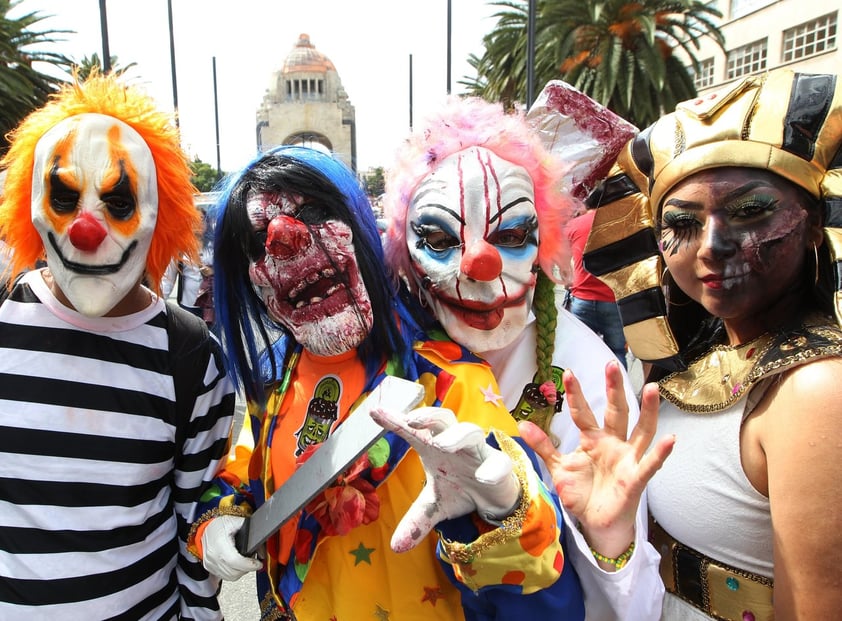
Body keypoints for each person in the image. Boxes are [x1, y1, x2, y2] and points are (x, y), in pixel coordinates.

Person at [187, 145, 590, 619]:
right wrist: (218, 520)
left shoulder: (445, 378)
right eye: (256, 243)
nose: (283, 239)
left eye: (315, 212)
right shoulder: (274, 373)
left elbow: (542, 590)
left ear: (362, 229)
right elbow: (246, 470)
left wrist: (504, 515)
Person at [382, 94, 673, 620]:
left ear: (543, 243)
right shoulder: (392, 357)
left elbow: (630, 608)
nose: (480, 263)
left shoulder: (585, 369)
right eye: (440, 239)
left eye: (512, 235)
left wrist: (609, 538)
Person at [581, 68, 842, 620]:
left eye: (750, 212)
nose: (712, 246)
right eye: (682, 222)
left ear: (815, 222)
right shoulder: (690, 363)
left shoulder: (816, 388)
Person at [0, 73, 236, 619]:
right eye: (64, 197)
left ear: (161, 217)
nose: (87, 229)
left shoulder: (191, 356)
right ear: (32, 205)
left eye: (119, 201)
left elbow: (193, 523)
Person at [565, 206, 627, 368]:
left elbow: (564, 259)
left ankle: (578, 388)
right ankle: (619, 390)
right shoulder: (619, 224)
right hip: (612, 301)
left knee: (579, 351)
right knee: (616, 352)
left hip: (582, 299)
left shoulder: (575, 225)